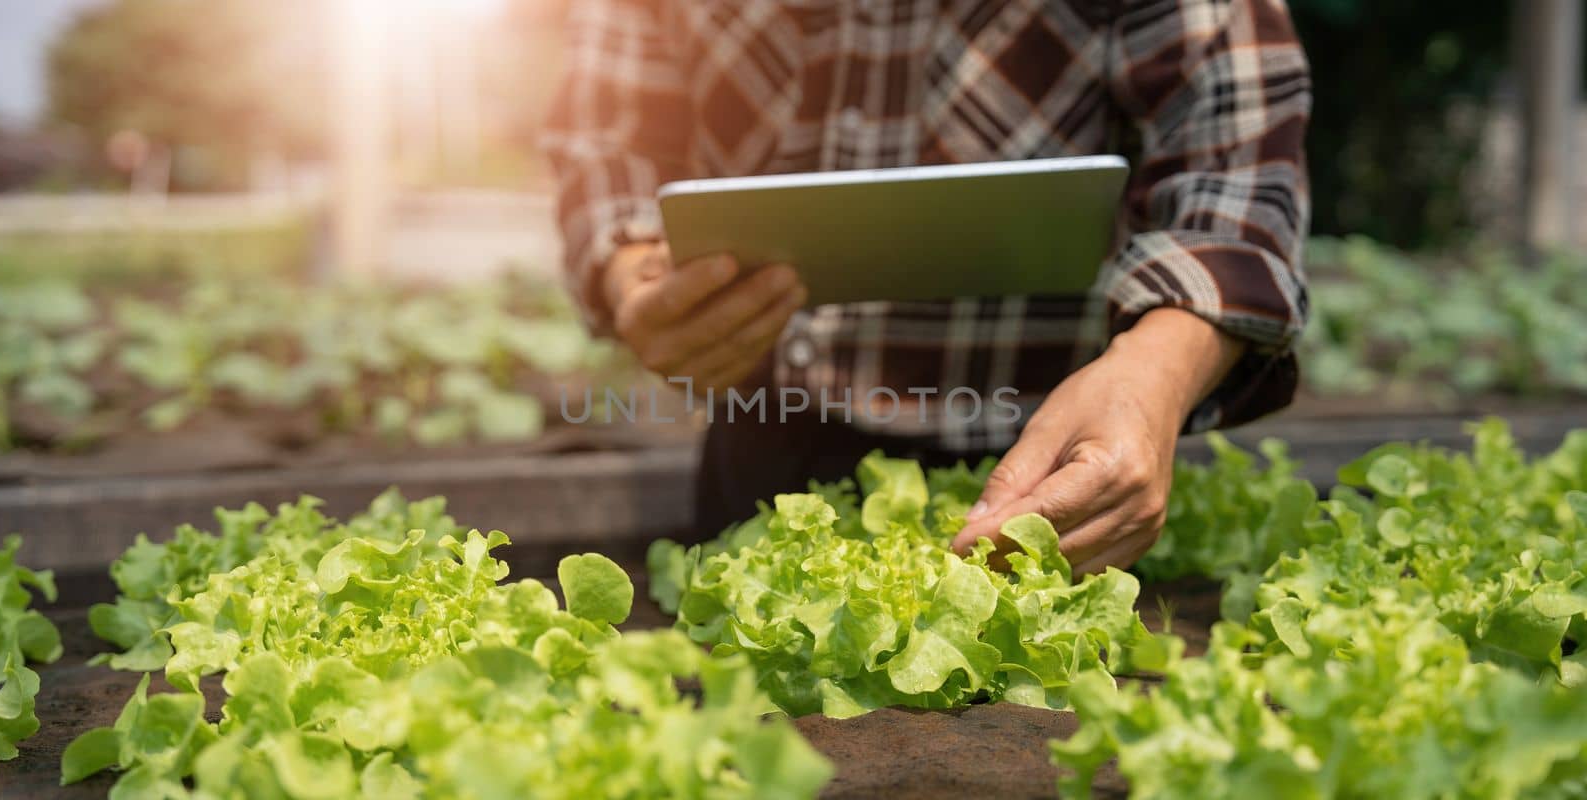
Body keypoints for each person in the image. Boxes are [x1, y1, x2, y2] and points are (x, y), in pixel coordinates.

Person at [540, 0, 1310, 575]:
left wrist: (1157, 369)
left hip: (1050, 457)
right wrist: (632, 272)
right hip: (765, 432)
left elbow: (1234, 155)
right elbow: (608, 139)